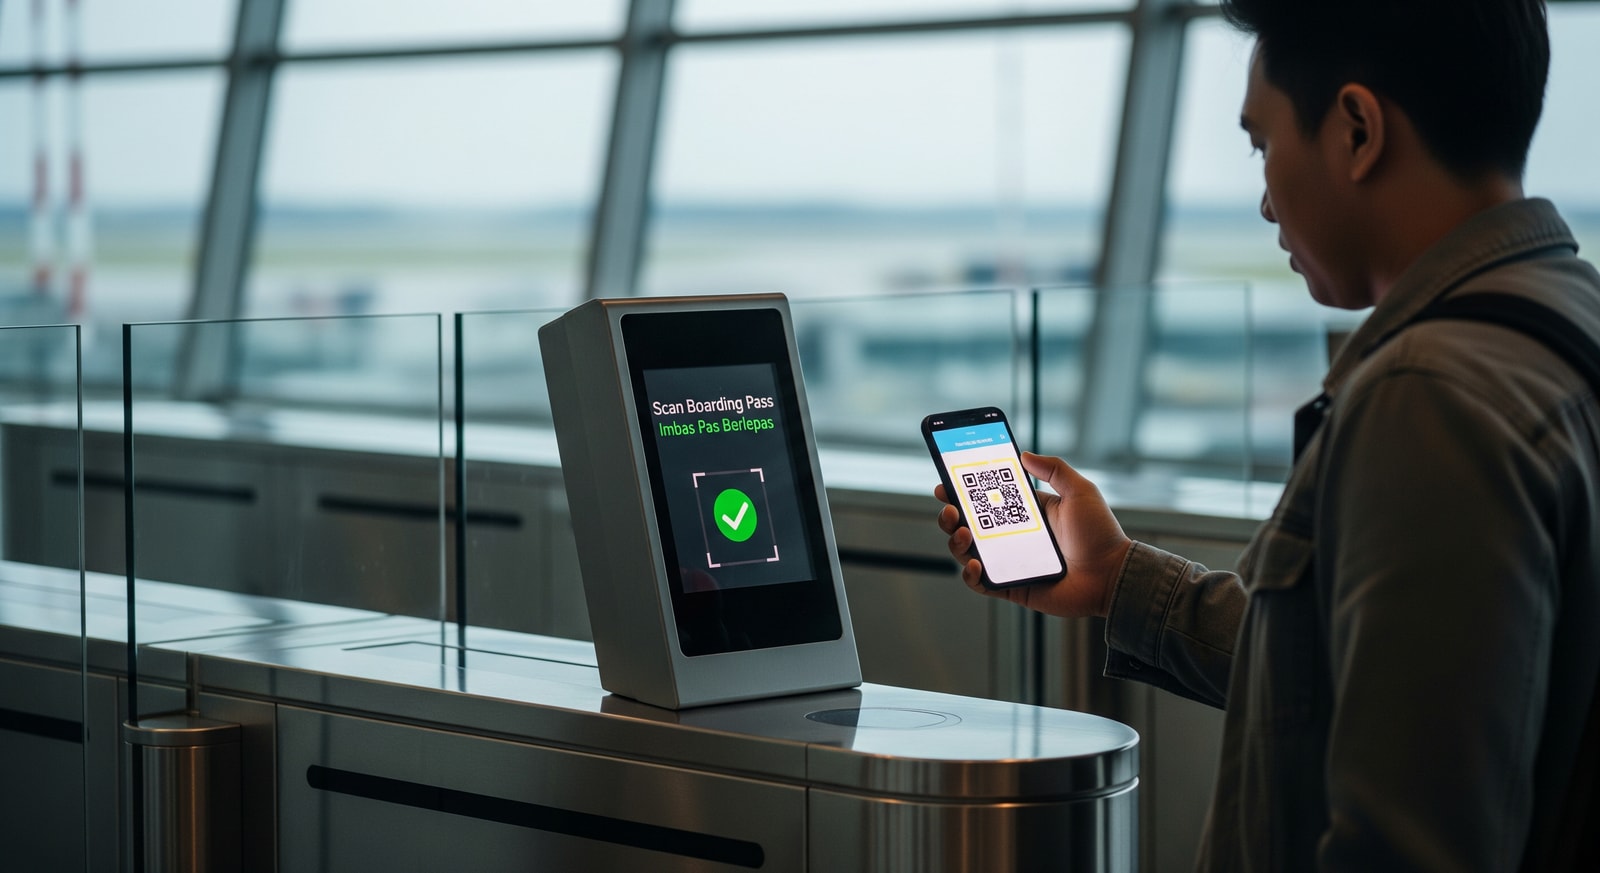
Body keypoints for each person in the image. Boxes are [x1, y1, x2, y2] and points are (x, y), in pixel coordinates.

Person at [935, 0, 1600, 870]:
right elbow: (1365, 671)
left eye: (1262, 143)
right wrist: (1118, 577)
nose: (1261, 198)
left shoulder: (1427, 398)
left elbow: (1406, 842)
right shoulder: (1566, 323)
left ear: (1357, 130)